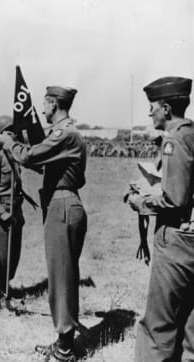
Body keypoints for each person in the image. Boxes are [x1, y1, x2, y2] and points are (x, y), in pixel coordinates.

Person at [0, 86, 87, 361]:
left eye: (45, 104)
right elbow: (40, 162)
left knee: (61, 278)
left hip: (61, 206)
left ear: (53, 104)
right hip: (61, 204)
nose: (42, 110)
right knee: (62, 276)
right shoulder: (66, 134)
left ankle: (65, 349)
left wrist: (8, 143)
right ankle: (64, 341)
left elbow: (30, 156)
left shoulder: (65, 133)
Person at [127, 76, 194, 361]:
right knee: (190, 326)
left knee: (158, 325)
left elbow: (175, 198)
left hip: (178, 239)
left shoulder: (175, 141)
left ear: (166, 108)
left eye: (152, 106)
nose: (149, 112)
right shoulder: (190, 134)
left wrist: (140, 200)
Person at [0, 115, 24, 303]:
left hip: (16, 211)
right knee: (1, 255)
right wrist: (3, 213)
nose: (13, 135)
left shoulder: (14, 155)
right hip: (1, 213)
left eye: (13, 132)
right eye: (8, 132)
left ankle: (6, 285)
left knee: (14, 253)